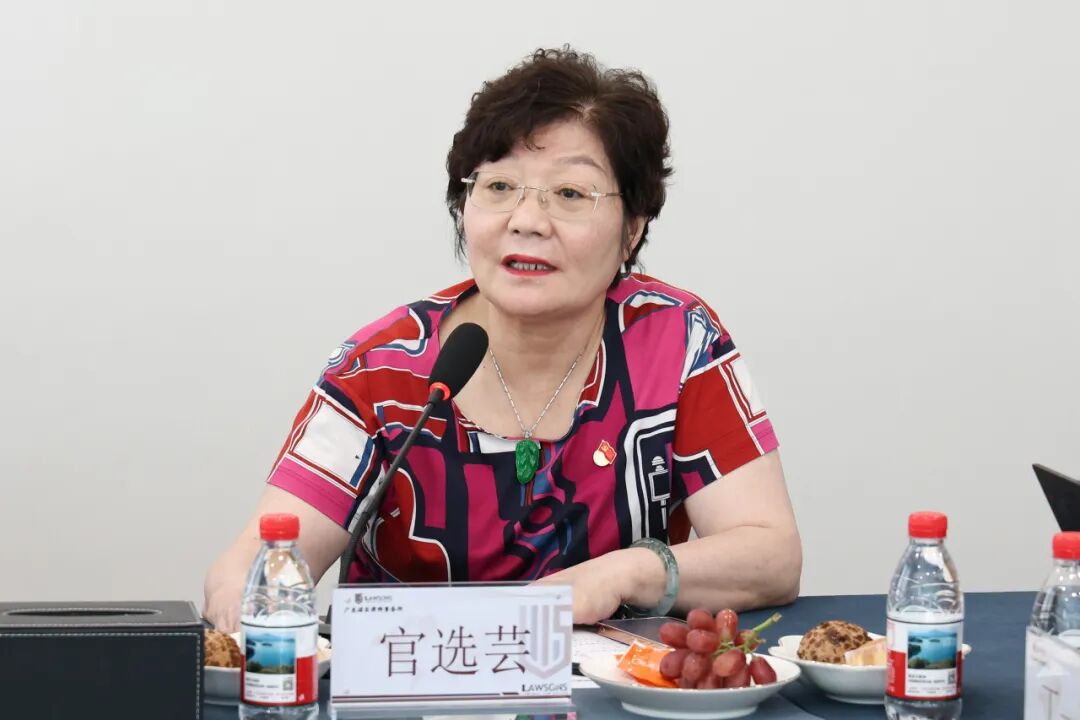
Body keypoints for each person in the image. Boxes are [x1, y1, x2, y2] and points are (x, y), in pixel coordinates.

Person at [204, 47, 802, 632]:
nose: (527, 221)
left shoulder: (674, 341)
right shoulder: (382, 371)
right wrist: (245, 609)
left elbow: (771, 556)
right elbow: (254, 566)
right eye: (498, 187)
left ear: (632, 230)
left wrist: (625, 573)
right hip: (414, 680)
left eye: (570, 194)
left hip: (618, 686)